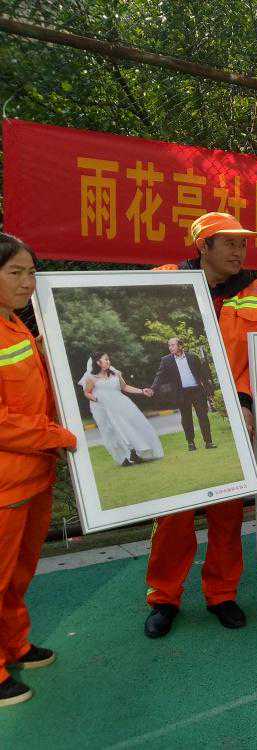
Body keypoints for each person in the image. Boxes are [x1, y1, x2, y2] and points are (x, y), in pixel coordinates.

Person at [144, 212, 257, 638]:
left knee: (228, 514)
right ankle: (164, 597)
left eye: (244, 243)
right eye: (230, 243)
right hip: (184, 404)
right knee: (174, 515)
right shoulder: (165, 279)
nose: (240, 251)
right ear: (203, 246)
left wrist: (245, 402)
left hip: (234, 416)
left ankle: (222, 593)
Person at [0, 234, 78, 707]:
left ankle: (15, 645)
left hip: (34, 477)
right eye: (15, 272)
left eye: (31, 272)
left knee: (19, 573)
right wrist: (57, 436)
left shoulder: (16, 325)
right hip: (6, 485)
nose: (27, 282)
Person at [79, 352, 162, 467]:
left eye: (108, 359)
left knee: (130, 427)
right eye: (105, 359)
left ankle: (137, 454)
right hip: (105, 408)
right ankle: (124, 457)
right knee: (113, 431)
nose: (108, 361)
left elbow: (125, 387)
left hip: (121, 404)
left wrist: (142, 391)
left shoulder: (115, 374)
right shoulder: (91, 378)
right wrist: (97, 399)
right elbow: (87, 393)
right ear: (98, 362)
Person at [150, 338, 215, 452]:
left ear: (180, 346)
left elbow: (202, 375)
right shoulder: (166, 360)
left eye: (173, 345)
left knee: (203, 416)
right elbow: (159, 376)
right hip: (182, 393)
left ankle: (208, 442)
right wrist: (152, 388)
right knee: (186, 418)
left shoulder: (193, 357)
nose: (170, 348)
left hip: (197, 391)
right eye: (169, 345)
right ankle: (191, 443)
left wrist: (209, 392)